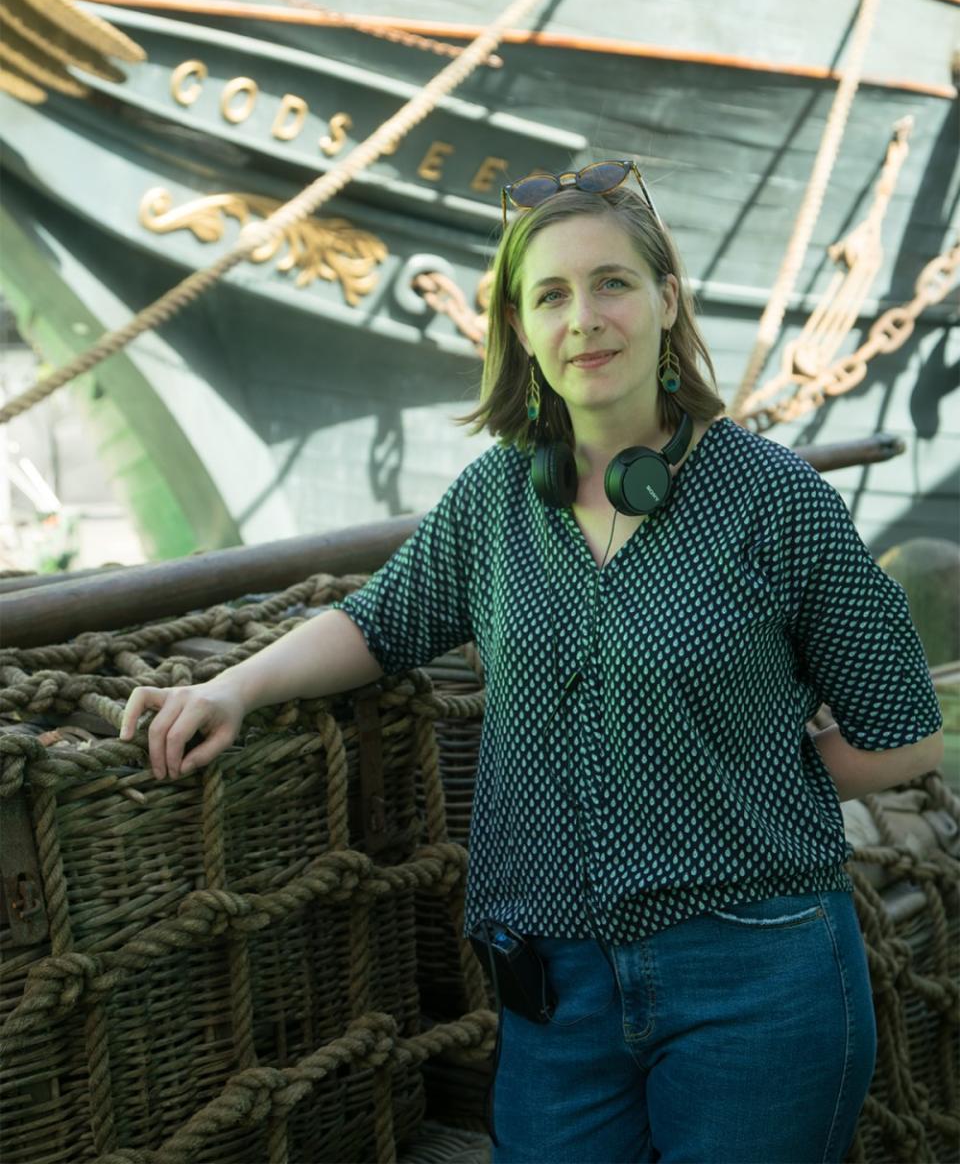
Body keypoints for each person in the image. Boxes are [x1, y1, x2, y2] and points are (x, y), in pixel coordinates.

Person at [121, 161, 944, 1164]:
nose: (583, 318)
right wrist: (233, 684)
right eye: (549, 295)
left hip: (758, 978)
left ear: (666, 301)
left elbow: (907, 733)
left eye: (611, 284)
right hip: (554, 993)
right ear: (519, 329)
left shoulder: (780, 503)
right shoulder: (496, 498)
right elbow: (380, 621)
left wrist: (754, 776)